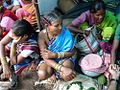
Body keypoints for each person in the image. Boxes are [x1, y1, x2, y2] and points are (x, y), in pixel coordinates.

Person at [37, 12, 76, 82]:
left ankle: (56, 73)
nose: (60, 27)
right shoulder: (42, 35)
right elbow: (45, 57)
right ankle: (54, 72)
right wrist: (62, 68)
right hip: (50, 60)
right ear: (46, 26)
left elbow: (72, 52)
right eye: (56, 25)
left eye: (61, 24)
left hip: (64, 58)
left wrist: (56, 55)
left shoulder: (65, 33)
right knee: (42, 74)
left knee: (67, 76)